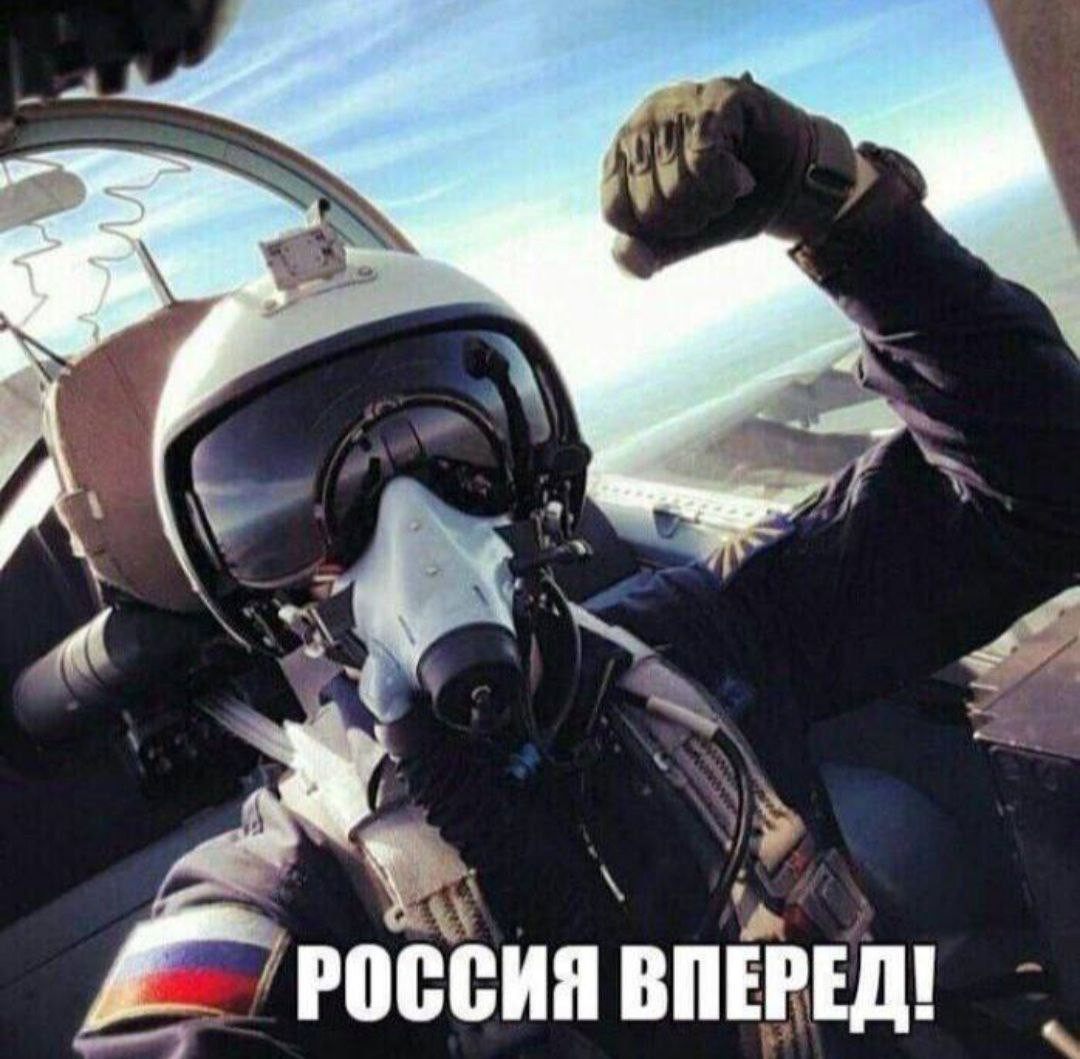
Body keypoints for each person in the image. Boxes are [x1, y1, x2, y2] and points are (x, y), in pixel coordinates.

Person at [74, 74, 1079, 1058]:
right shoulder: (285, 889)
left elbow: (1042, 484)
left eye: (459, 451)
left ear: (539, 473)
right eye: (301, 515)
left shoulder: (702, 639)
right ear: (255, 590)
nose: (414, 533)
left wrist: (838, 208)